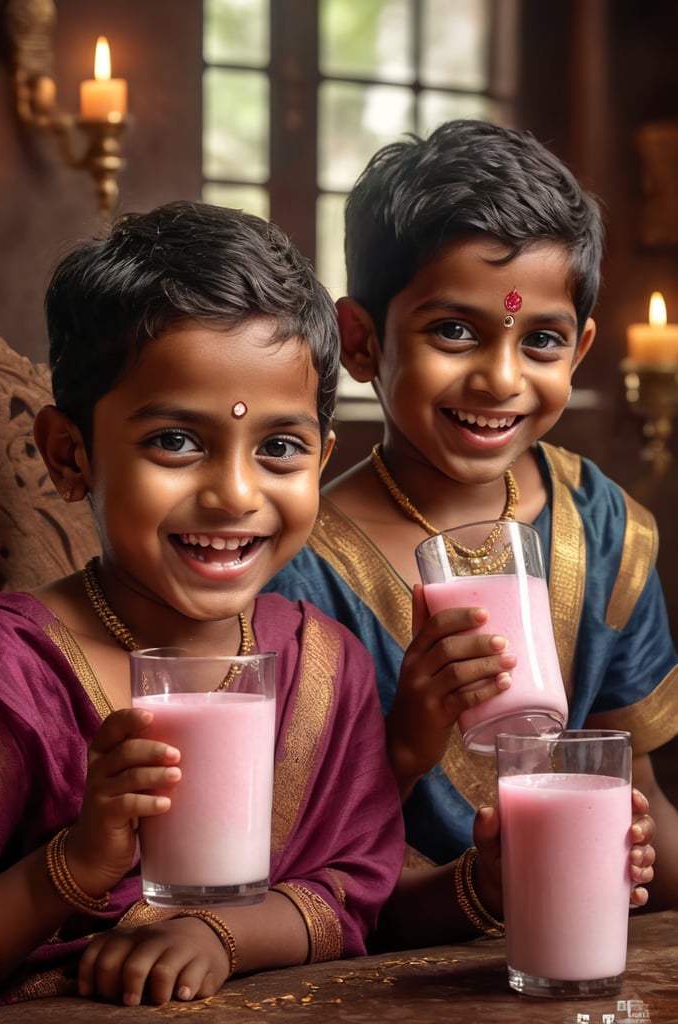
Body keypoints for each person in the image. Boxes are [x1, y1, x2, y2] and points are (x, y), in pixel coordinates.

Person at [0, 201, 406, 1015]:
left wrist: (223, 935)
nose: (234, 494)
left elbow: (352, 890)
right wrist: (71, 867)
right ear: (71, 455)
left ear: (322, 456)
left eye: (279, 447)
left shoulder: (322, 663)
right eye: (176, 441)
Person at [266, 119, 673, 940]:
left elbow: (646, 813)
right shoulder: (293, 566)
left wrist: (629, 850)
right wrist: (402, 740)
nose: (499, 376)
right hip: (379, 961)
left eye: (541, 340)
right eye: (453, 331)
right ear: (360, 339)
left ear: (581, 349)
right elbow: (288, 860)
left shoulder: (602, 527)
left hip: (576, 942)